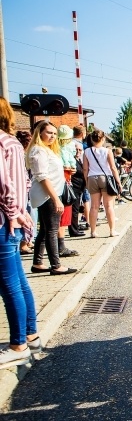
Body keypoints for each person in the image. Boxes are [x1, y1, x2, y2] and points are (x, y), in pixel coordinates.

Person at [0, 98, 41, 368]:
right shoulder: (11, 142)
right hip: (11, 219)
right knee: (18, 281)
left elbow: (5, 184)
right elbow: (21, 182)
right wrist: (19, 212)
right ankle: (30, 333)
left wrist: (12, 212)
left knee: (9, 284)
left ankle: (18, 344)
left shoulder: (2, 143)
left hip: (4, 221)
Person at [26, 121, 77, 275]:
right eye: (49, 132)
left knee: (45, 230)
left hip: (50, 192)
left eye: (54, 133)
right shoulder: (39, 151)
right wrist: (56, 198)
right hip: (47, 194)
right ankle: (56, 265)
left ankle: (38, 263)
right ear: (39, 133)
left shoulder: (47, 150)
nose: (52, 136)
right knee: (52, 230)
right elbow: (42, 177)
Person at [83, 129, 123, 238]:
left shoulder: (86, 151)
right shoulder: (107, 151)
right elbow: (113, 167)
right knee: (108, 205)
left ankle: (93, 231)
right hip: (105, 178)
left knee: (94, 206)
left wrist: (86, 181)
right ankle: (112, 230)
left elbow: (85, 169)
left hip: (92, 177)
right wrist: (118, 182)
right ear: (103, 139)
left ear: (91, 139)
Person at [57, 126, 80, 255]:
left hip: (64, 182)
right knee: (62, 217)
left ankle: (59, 246)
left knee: (60, 218)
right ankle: (60, 247)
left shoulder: (58, 148)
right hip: (63, 184)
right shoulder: (61, 149)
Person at [14, 130, 35, 255]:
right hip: (22, 192)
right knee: (27, 215)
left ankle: (27, 242)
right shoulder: (20, 154)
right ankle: (23, 244)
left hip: (24, 190)